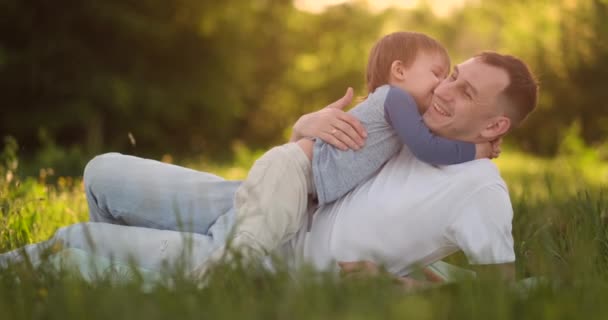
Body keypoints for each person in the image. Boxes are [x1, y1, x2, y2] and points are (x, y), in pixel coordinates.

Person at [0, 50, 538, 287]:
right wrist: (305, 125)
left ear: (495, 128)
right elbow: (325, 164)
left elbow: (502, 291)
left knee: (70, 244)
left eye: (465, 91)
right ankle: (149, 275)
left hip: (266, 257)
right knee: (100, 172)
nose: (444, 89)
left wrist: (409, 288)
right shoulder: (418, 120)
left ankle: (162, 280)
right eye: (453, 75)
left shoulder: (480, 190)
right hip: (258, 200)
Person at [206, 31, 499, 271]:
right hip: (292, 171)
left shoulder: (401, 111)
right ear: (398, 71)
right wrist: (478, 149)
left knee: (259, 243)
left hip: (300, 184)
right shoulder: (395, 98)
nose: (440, 86)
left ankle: (214, 276)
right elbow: (427, 147)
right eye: (437, 73)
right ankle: (204, 285)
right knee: (250, 245)